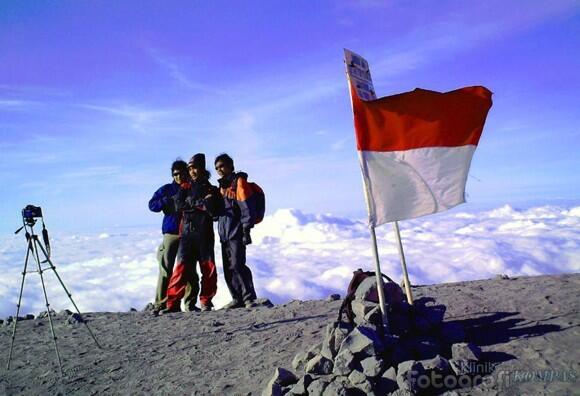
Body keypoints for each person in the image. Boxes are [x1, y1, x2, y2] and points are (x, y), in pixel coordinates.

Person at [162, 153, 222, 313]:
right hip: (187, 235)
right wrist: (201, 203)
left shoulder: (211, 189)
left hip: (204, 235)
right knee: (180, 270)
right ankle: (172, 304)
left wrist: (194, 204)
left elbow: (214, 210)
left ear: (202, 169)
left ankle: (206, 302)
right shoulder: (185, 188)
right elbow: (179, 204)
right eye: (190, 168)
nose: (192, 171)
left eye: (195, 168)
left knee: (208, 269)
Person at [148, 160, 196, 312]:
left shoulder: (193, 188)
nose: (178, 176)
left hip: (189, 233)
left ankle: (190, 304)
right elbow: (152, 205)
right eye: (175, 174)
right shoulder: (167, 189)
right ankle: (161, 303)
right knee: (165, 269)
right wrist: (166, 201)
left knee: (189, 269)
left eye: (181, 173)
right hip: (171, 233)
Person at [214, 153, 258, 309]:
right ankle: (237, 298)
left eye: (222, 166)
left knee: (238, 264)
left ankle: (248, 298)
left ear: (231, 166)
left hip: (236, 231)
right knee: (228, 267)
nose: (219, 170)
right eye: (217, 168)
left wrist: (246, 230)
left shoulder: (238, 182)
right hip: (224, 233)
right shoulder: (221, 187)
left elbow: (246, 207)